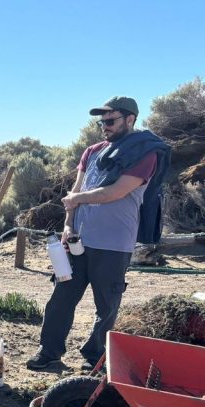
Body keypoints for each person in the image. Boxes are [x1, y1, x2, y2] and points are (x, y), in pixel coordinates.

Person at [27, 97, 170, 372]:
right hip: (78, 240)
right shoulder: (92, 152)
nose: (105, 126)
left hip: (114, 244)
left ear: (130, 119)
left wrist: (77, 199)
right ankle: (49, 352)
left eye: (111, 121)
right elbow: (74, 196)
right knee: (61, 297)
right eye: (101, 122)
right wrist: (68, 225)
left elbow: (115, 191)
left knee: (107, 305)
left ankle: (95, 355)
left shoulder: (144, 154)